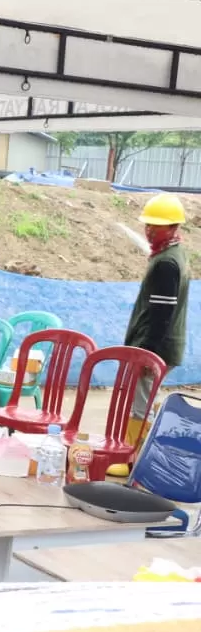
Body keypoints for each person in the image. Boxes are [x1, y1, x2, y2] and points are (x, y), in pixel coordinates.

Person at [113, 192, 189, 471]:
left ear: (172, 227)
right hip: (159, 344)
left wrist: (146, 354)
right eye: (147, 224)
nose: (149, 230)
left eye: (156, 226)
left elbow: (161, 315)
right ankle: (138, 455)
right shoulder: (173, 253)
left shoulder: (166, 263)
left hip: (156, 346)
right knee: (144, 400)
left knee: (140, 403)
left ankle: (132, 459)